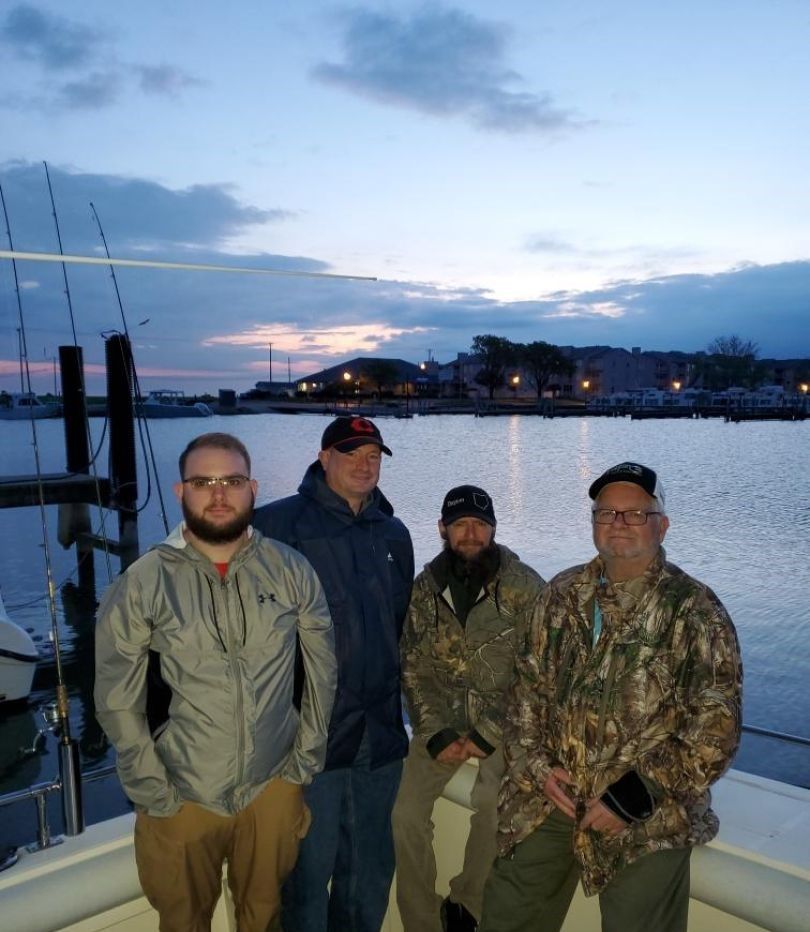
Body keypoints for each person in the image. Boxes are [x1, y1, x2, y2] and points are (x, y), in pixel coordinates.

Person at [480, 462, 743, 932]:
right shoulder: (559, 594)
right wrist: (539, 768)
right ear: (594, 522)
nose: (618, 523)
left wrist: (636, 793)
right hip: (551, 799)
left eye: (634, 514)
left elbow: (716, 731)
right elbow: (523, 692)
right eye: (607, 513)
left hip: (646, 815)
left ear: (662, 525)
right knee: (505, 915)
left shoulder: (695, 610)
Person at [95, 432, 336, 932]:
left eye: (231, 480)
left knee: (265, 919)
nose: (219, 494)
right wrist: (155, 793)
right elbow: (117, 699)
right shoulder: (141, 584)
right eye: (203, 481)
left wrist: (300, 770)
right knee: (184, 922)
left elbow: (320, 674)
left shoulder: (292, 571)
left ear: (253, 488)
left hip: (272, 789)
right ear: (180, 491)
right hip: (181, 797)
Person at [253, 415, 414, 932]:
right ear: (324, 459)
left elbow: (400, 626)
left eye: (374, 456)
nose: (365, 466)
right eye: (351, 454)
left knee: (370, 868)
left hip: (380, 734)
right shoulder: (275, 526)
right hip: (308, 737)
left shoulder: (393, 533)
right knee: (306, 870)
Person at [393, 486, 545, 932]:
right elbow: (414, 664)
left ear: (494, 528)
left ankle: (465, 906)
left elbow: (539, 673)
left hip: (507, 726)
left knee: (493, 806)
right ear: (443, 529)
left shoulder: (525, 587)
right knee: (404, 815)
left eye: (480, 524)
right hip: (439, 723)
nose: (471, 533)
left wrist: (489, 733)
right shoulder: (426, 588)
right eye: (460, 524)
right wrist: (436, 730)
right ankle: (422, 922)